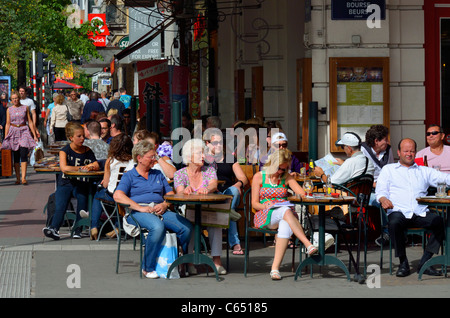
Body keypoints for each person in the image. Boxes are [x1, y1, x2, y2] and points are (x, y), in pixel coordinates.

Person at [114, 140, 192, 279]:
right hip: (138, 212)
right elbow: (118, 195)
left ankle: (179, 260)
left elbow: (170, 194)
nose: (154, 159)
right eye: (151, 156)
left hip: (159, 209)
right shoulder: (130, 175)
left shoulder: (157, 174)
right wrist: (140, 208)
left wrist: (164, 204)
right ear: (139, 158)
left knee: (186, 227)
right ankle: (147, 267)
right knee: (157, 227)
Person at [376, 138, 449, 277]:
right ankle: (403, 262)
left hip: (419, 212)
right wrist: (383, 199)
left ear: (416, 153)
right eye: (406, 151)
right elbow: (381, 191)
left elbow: (444, 178)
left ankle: (425, 262)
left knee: (439, 222)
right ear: (399, 152)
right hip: (398, 211)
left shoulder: (424, 171)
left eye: (412, 151)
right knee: (394, 223)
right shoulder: (389, 169)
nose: (409, 154)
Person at [251, 148, 318, 280]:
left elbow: (302, 193)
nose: (280, 172)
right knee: (286, 211)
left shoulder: (285, 177)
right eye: (279, 168)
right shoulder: (259, 176)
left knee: (285, 223)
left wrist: (294, 188)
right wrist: (265, 205)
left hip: (284, 214)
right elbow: (254, 203)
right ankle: (307, 244)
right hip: (265, 214)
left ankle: (275, 269)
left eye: (284, 169)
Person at [173, 138, 227, 275]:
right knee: (189, 225)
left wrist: (207, 189)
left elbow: (214, 185)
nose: (203, 156)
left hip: (208, 209)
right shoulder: (179, 174)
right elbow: (179, 192)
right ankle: (190, 262)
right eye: (199, 153)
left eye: (203, 153)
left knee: (216, 225)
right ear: (189, 156)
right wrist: (185, 191)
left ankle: (216, 262)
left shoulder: (209, 170)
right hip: (189, 209)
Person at [43, 122, 100, 240]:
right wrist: (80, 168)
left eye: (83, 136)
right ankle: (54, 228)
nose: (82, 138)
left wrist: (90, 166)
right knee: (60, 205)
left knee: (82, 202)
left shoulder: (87, 150)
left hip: (82, 182)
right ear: (71, 138)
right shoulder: (65, 151)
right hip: (65, 183)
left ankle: (78, 229)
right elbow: (64, 168)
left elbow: (96, 164)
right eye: (79, 136)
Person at [204, 128, 248, 255]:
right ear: (207, 143)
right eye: (215, 142)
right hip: (212, 194)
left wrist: (238, 184)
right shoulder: (204, 160)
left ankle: (228, 213)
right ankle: (235, 242)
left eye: (220, 142)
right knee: (229, 210)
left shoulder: (229, 158)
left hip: (229, 194)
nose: (218, 145)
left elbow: (243, 178)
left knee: (233, 191)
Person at [88, 133, 134, 240]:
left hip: (112, 195)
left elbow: (105, 184)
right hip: (128, 196)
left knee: (98, 196)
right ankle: (118, 226)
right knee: (120, 199)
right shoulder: (134, 161)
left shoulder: (110, 161)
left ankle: (94, 226)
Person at [361, 124, 395, 246]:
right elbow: (362, 175)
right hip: (368, 189)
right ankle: (388, 233)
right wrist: (378, 185)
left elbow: (391, 170)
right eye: (385, 139)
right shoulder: (363, 150)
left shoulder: (388, 150)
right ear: (376, 141)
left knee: (397, 198)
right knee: (382, 201)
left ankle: (397, 231)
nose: (388, 141)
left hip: (385, 187)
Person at [1, 92, 38, 185]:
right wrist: (6, 137)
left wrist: (34, 134)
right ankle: (18, 178)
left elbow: (29, 121)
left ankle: (23, 178)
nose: (15, 100)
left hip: (23, 130)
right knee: (16, 156)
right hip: (13, 131)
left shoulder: (25, 107)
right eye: (13, 98)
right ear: (11, 100)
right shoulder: (9, 110)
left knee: (23, 153)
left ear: (19, 98)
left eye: (16, 98)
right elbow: (8, 123)